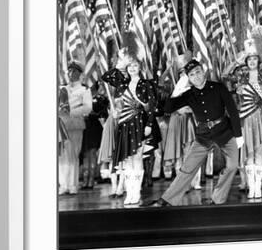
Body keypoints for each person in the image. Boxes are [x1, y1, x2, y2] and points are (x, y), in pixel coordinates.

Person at [151, 59, 244, 206]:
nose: (196, 76)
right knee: (187, 168)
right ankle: (167, 199)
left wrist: (238, 135)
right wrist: (176, 92)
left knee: (233, 166)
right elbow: (167, 109)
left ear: (203, 71)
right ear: (189, 78)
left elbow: (232, 110)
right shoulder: (188, 94)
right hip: (203, 136)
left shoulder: (218, 87)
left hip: (224, 132)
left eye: (198, 72)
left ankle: (218, 198)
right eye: (192, 74)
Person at [102, 44, 157, 205]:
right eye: (130, 65)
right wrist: (121, 61)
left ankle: (137, 193)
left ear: (140, 67)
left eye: (135, 65)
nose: (132, 68)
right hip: (125, 125)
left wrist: (149, 125)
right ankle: (129, 192)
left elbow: (152, 108)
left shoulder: (147, 84)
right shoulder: (122, 83)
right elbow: (106, 76)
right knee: (127, 160)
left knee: (138, 158)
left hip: (140, 123)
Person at [234, 28, 262, 199]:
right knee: (248, 152)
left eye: (254, 58)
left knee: (259, 152)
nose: (252, 62)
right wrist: (236, 62)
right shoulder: (240, 79)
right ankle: (251, 187)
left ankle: (258, 186)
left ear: (258, 60)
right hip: (246, 119)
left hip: (261, 118)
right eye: (249, 59)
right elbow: (224, 75)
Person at [162, 51, 200, 189]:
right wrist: (167, 69)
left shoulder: (195, 81)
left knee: (190, 150)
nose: (182, 70)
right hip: (176, 119)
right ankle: (181, 182)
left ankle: (193, 181)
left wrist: (189, 109)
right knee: (178, 151)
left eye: (185, 68)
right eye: (180, 68)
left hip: (189, 119)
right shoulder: (173, 82)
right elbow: (160, 87)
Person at [58, 62, 92, 195]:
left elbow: (88, 108)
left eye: (74, 72)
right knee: (62, 155)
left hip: (75, 124)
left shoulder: (84, 90)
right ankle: (63, 184)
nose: (71, 74)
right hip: (61, 124)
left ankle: (72, 184)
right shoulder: (62, 89)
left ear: (80, 74)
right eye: (69, 71)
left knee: (73, 155)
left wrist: (70, 112)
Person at [80, 82, 109, 190]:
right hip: (83, 127)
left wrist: (91, 113)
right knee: (85, 154)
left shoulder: (100, 99)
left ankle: (91, 180)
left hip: (94, 128)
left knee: (92, 153)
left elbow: (104, 113)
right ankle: (85, 179)